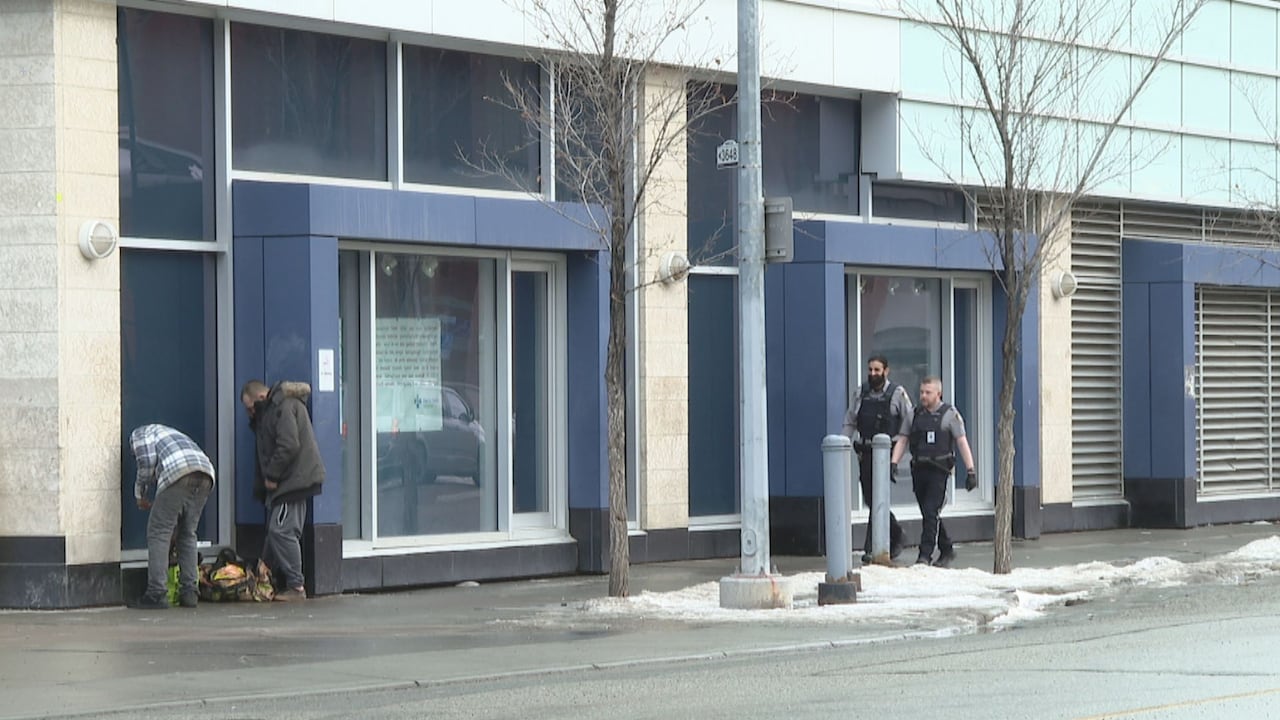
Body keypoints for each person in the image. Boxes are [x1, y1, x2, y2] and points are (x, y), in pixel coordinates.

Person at [240, 379, 326, 601]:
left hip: (293, 482)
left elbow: (288, 445)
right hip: (293, 480)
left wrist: (272, 475)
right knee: (278, 529)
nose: (249, 414)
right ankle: (266, 571)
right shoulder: (275, 409)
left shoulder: (283, 407)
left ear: (260, 398)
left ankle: (296, 586)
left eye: (250, 408)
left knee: (282, 531)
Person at [892, 376, 977, 568]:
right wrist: (893, 463)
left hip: (939, 471)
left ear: (938, 393)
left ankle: (925, 556)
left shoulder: (950, 415)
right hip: (919, 470)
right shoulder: (914, 415)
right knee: (929, 513)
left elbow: (962, 442)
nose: (923, 395)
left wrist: (971, 471)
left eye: (927, 392)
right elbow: (903, 439)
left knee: (931, 512)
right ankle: (947, 548)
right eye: (921, 392)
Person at [129, 424, 216, 610]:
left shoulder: (139, 434)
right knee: (187, 533)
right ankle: (190, 592)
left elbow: (146, 463)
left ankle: (156, 593)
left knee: (159, 532)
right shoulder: (171, 433)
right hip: (206, 473)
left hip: (179, 471)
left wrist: (140, 494)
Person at [841, 355, 911, 563]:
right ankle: (896, 532)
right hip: (865, 453)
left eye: (877, 370)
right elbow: (850, 421)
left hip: (886, 454)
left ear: (886, 371)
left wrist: (898, 455)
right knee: (871, 499)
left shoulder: (897, 394)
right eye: (870, 369)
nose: (873, 374)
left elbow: (909, 422)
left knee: (878, 497)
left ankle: (872, 547)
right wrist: (842, 445)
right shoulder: (861, 393)